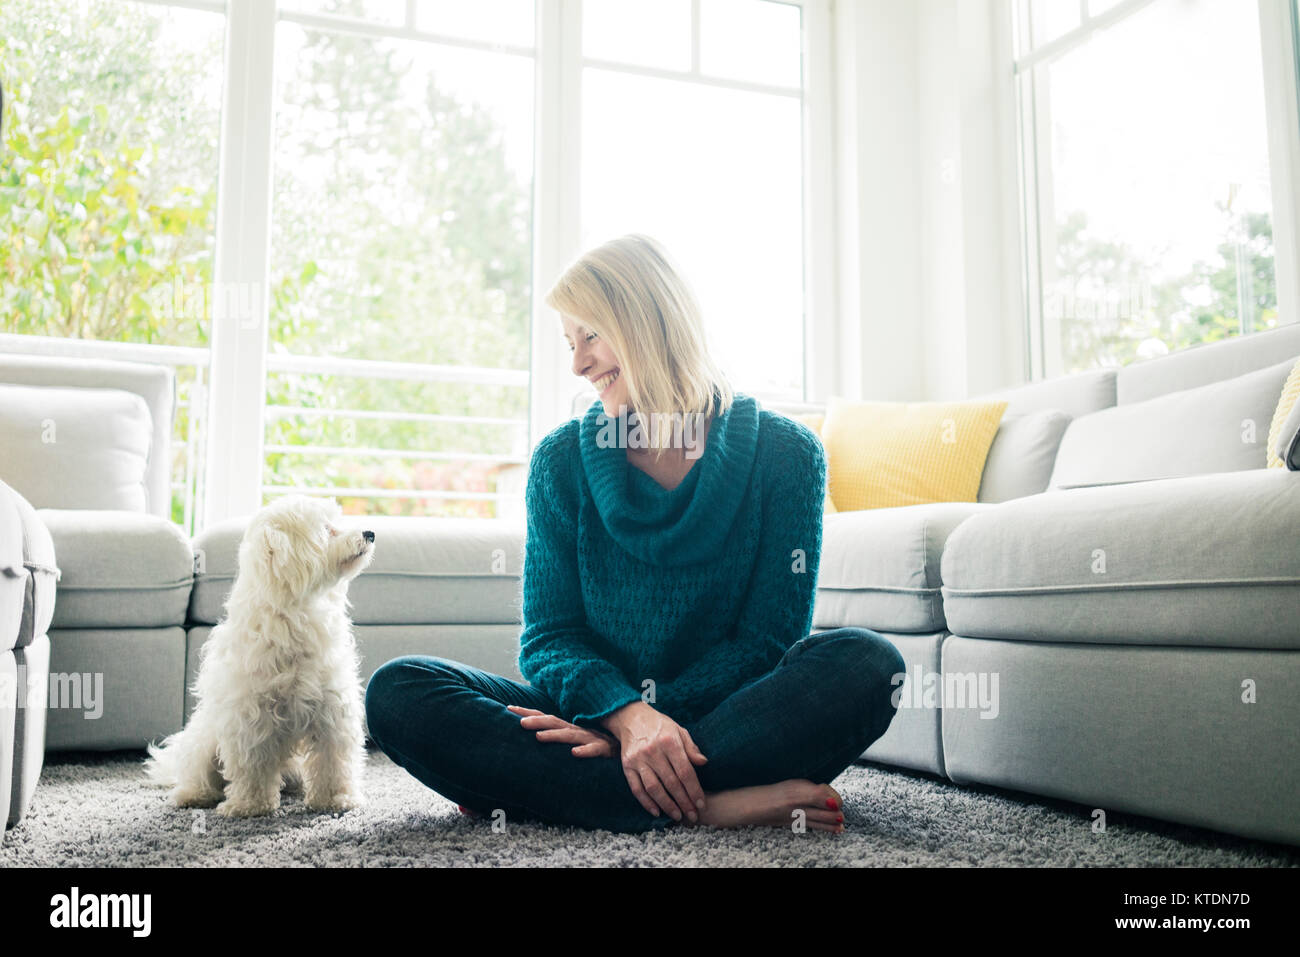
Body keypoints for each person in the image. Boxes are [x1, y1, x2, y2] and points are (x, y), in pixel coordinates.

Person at [365, 234, 904, 834]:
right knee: (399, 691)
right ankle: (715, 808)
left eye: (590, 335)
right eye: (569, 344)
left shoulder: (788, 456)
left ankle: (571, 796)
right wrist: (624, 717)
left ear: (650, 319)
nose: (577, 363)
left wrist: (653, 724)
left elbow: (767, 643)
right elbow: (550, 638)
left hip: (719, 721)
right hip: (598, 712)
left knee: (868, 663)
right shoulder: (560, 462)